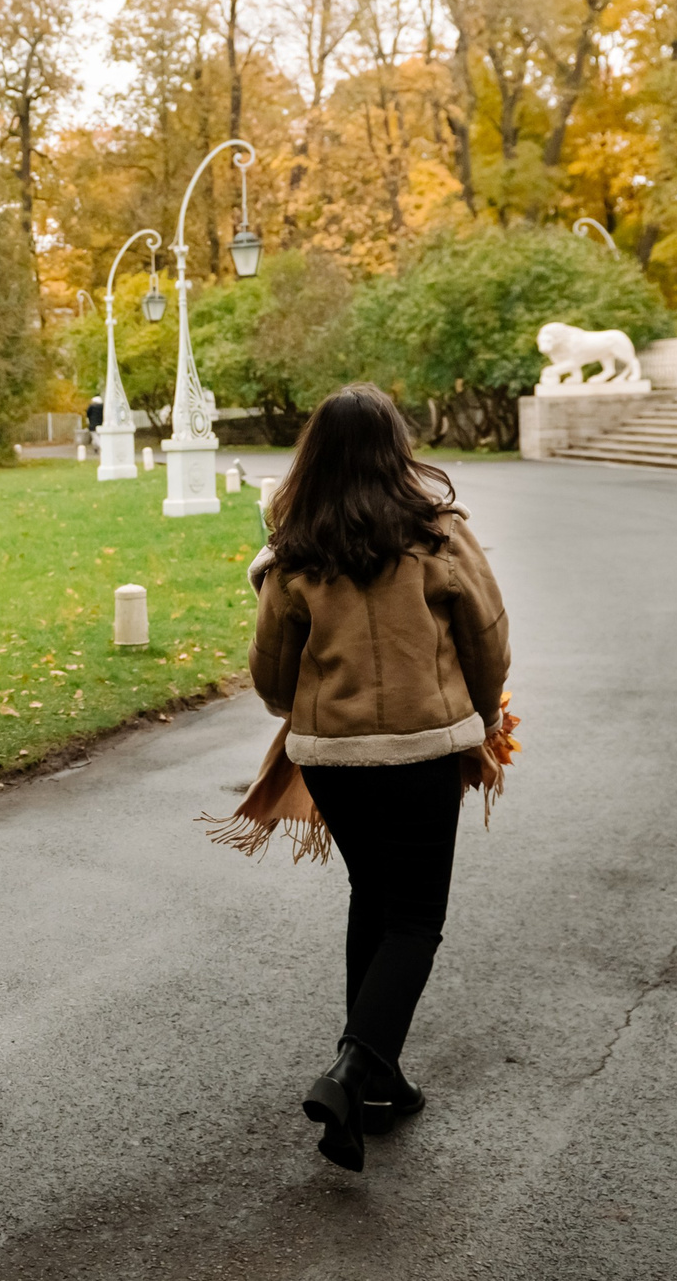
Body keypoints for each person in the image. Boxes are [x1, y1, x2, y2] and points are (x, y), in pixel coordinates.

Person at [247, 383, 509, 1173]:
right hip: (423, 752)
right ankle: (353, 1071)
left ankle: (378, 1080)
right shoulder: (439, 534)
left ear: (315, 457)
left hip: (332, 759)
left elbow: (271, 678)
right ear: (398, 449)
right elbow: (487, 637)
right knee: (416, 920)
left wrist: (317, 700)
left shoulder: (295, 553)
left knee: (374, 894)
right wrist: (485, 716)